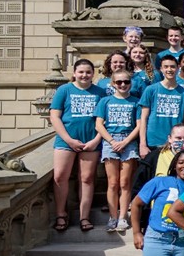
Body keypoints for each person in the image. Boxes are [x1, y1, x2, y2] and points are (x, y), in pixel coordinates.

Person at [49, 59, 105, 232]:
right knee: (60, 176)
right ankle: (61, 214)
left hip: (90, 140)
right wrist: (69, 140)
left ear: (93, 74)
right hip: (66, 141)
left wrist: (96, 140)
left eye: (88, 72)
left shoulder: (100, 92)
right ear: (74, 73)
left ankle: (84, 216)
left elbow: (103, 120)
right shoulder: (64, 90)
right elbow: (55, 117)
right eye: (81, 72)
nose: (84, 75)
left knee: (87, 179)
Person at [95, 69, 141, 232]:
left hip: (128, 140)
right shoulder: (105, 101)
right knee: (113, 182)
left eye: (126, 82)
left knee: (125, 182)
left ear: (131, 83)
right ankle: (113, 217)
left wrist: (126, 141)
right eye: (118, 82)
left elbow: (139, 124)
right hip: (110, 140)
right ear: (112, 84)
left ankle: (123, 217)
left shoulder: (136, 101)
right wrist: (112, 141)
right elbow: (99, 124)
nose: (122, 85)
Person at [139, 55, 184, 157]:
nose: (169, 70)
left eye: (172, 66)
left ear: (178, 68)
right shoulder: (151, 90)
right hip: (153, 141)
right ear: (161, 69)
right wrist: (142, 144)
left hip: (176, 142)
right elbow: (143, 118)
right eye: (166, 67)